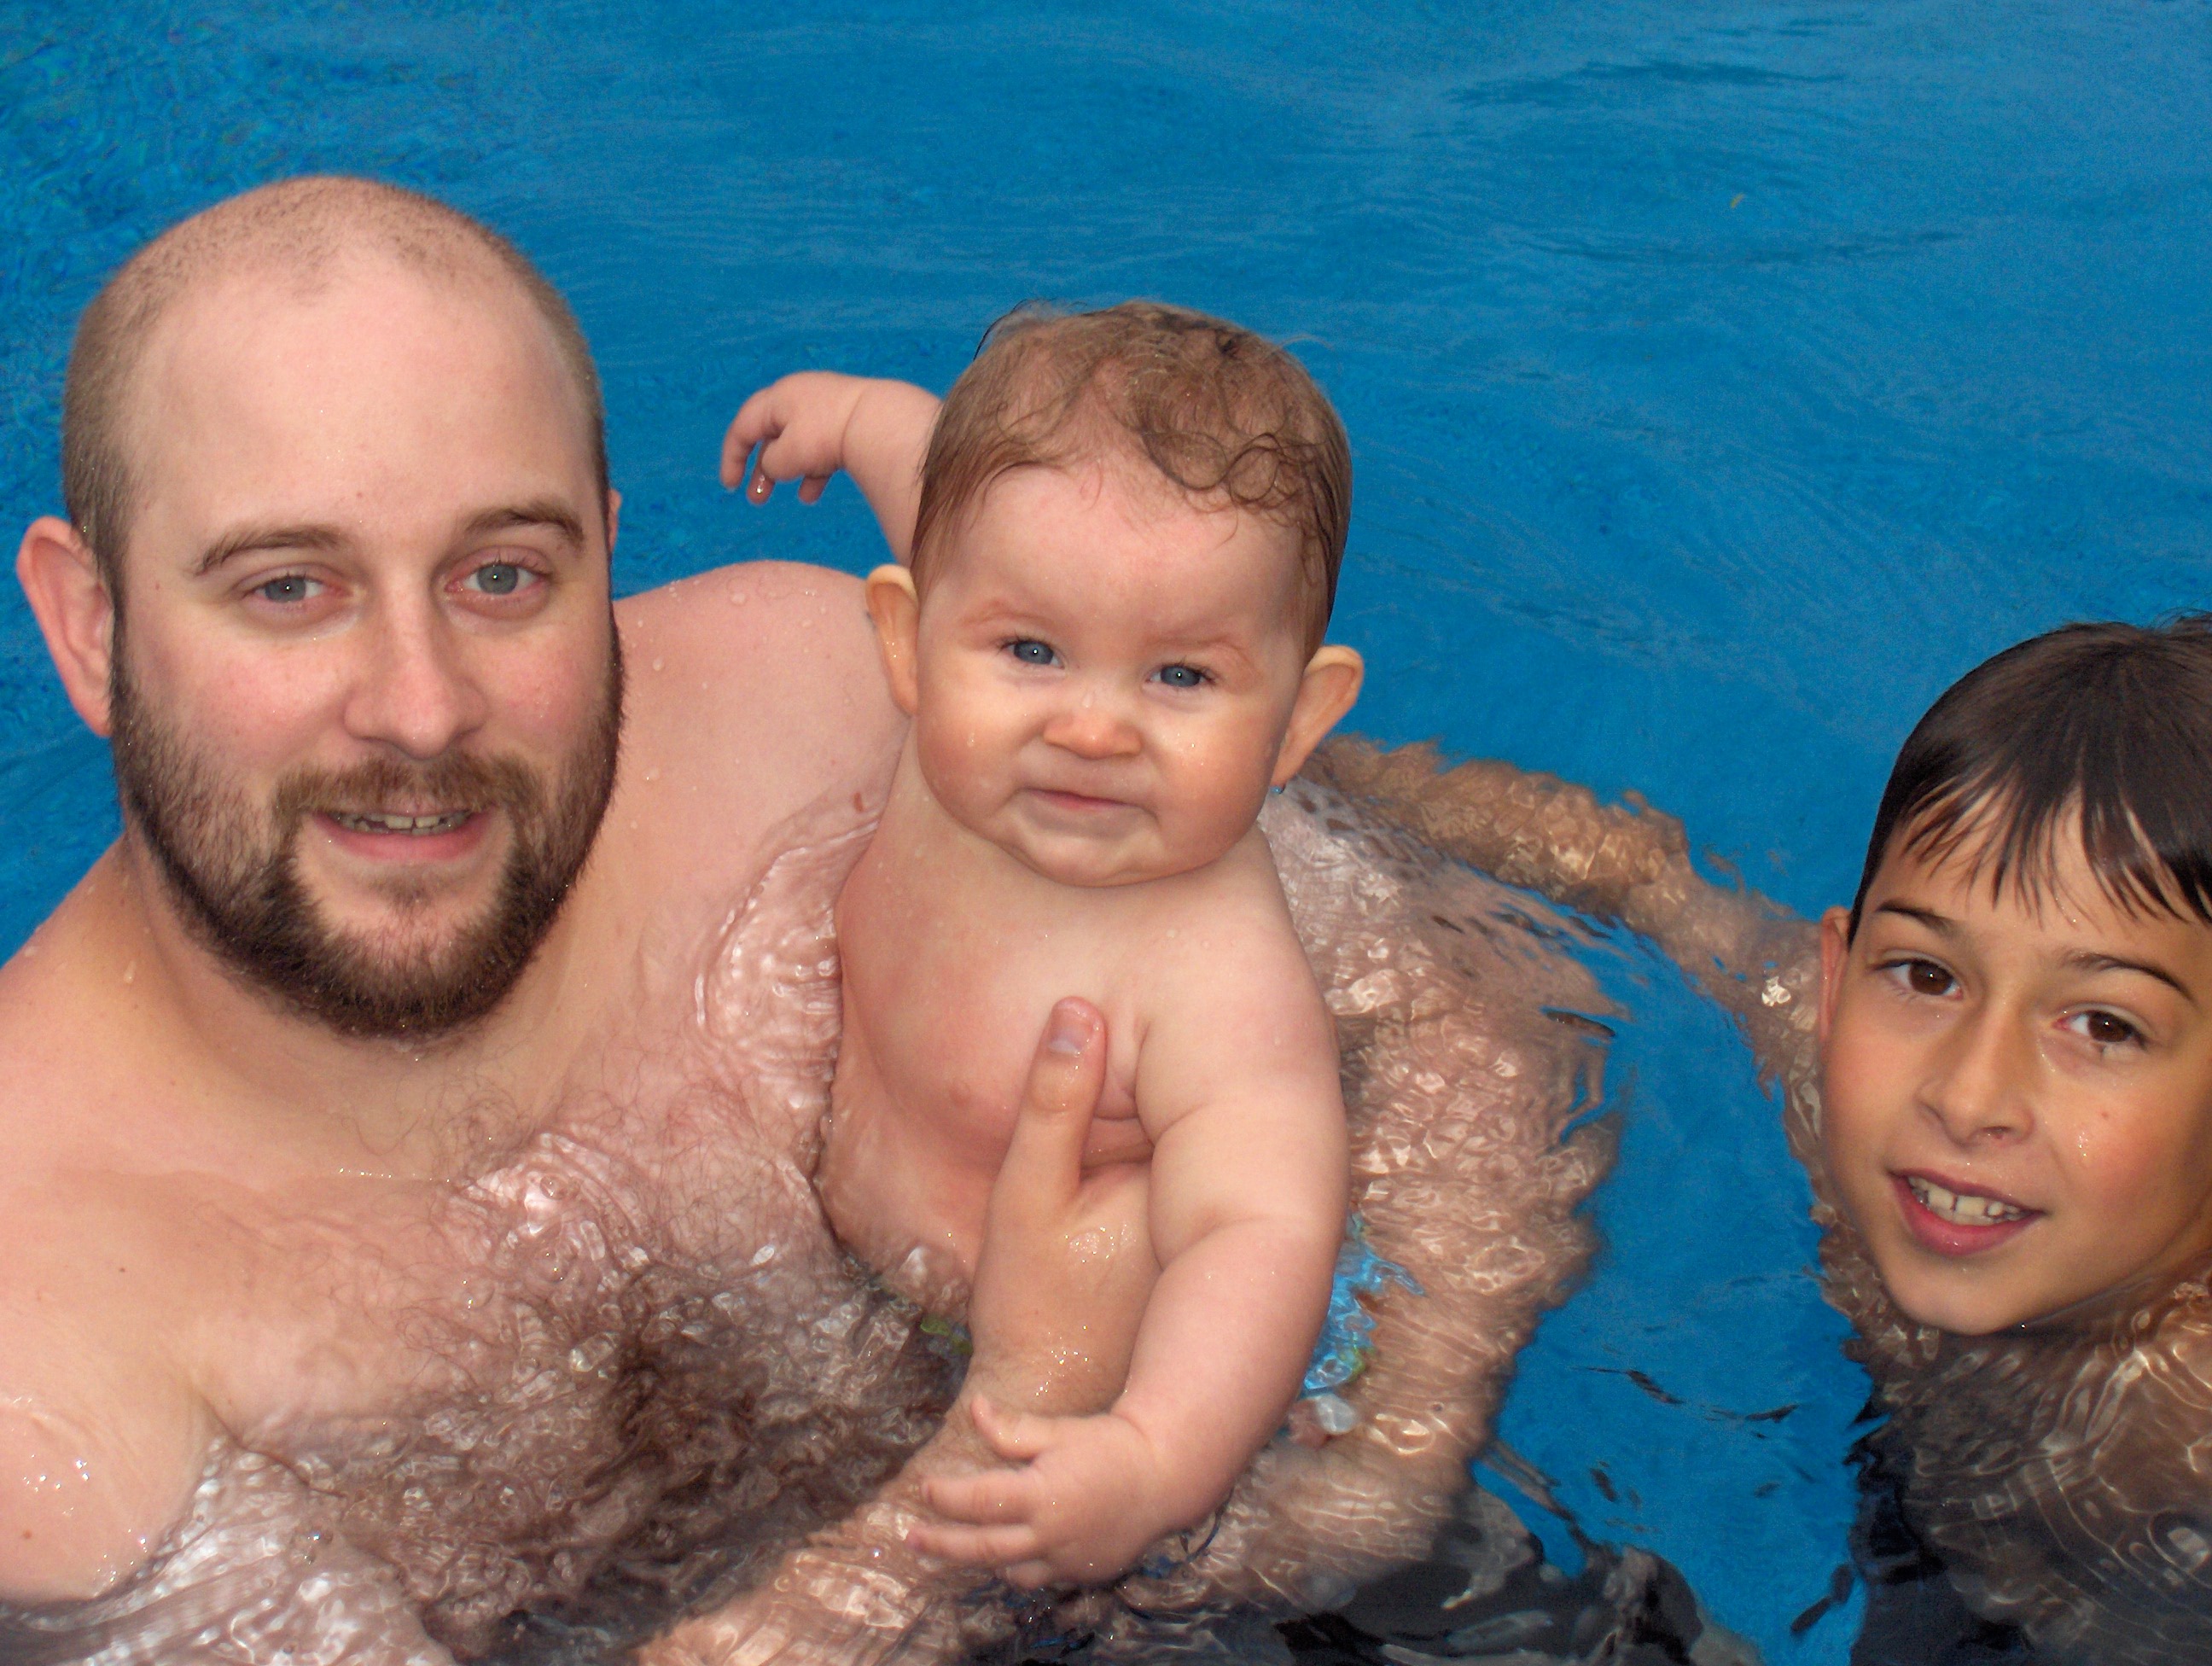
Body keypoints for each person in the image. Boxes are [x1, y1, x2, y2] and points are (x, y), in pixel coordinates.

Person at [0, 176, 1622, 1666]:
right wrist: (1022, 1415)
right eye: (289, 588)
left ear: (607, 551)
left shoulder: (806, 702)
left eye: (502, 576)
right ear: (88, 625)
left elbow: (1443, 993)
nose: (419, 709)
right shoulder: (43, 1350)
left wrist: (1388, 1451)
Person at [1390, 621, 2212, 1663]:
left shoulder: (2185, 1428)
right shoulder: (1841, 1095)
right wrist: (1289, 781)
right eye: (1926, 974)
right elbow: (1639, 873)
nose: (1967, 1095)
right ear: (1837, 983)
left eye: (2104, 1024)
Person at [728, 304, 1364, 1591]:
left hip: (1102, 1387)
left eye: (1180, 677)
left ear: (1300, 721)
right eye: (1033, 651)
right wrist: (859, 416)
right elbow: (947, 505)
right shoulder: (957, 742)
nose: (1092, 727)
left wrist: (1151, 1458)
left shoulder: (1213, 971)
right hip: (856, 1283)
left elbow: (1260, 1231)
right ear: (911, 643)